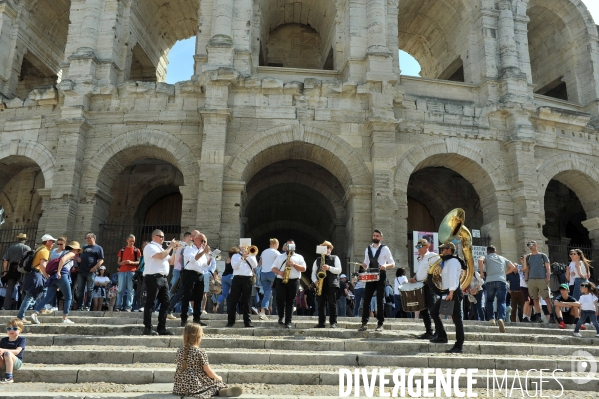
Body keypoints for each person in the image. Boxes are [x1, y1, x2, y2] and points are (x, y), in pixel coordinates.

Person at [173, 323, 242, 398]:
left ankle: (221, 390)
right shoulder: (200, 352)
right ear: (198, 337)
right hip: (195, 386)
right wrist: (218, 378)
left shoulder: (179, 351)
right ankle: (220, 390)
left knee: (208, 381)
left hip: (179, 387)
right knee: (216, 383)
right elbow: (208, 371)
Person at [29, 241, 83, 324]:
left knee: (47, 297)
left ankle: (35, 313)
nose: (78, 252)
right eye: (77, 250)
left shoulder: (64, 252)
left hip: (54, 277)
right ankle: (65, 318)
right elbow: (63, 260)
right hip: (62, 275)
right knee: (68, 297)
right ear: (75, 249)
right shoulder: (71, 254)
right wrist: (58, 272)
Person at [430, 242, 465, 353]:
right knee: (434, 312)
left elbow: (453, 277)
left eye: (443, 249)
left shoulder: (453, 261)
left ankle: (458, 346)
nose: (442, 252)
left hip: (452, 293)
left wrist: (451, 292)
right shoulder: (447, 262)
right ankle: (442, 336)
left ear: (449, 250)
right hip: (447, 292)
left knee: (457, 320)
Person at [142, 229, 178, 336]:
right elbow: (160, 256)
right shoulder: (150, 247)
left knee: (166, 303)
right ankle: (147, 327)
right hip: (153, 277)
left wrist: (175, 250)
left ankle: (161, 327)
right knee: (150, 302)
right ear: (154, 237)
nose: (163, 238)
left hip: (163, 278)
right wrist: (170, 246)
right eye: (160, 236)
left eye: (163, 236)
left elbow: (171, 261)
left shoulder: (161, 248)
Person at [358, 230, 395, 332]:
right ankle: (364, 323)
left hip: (381, 275)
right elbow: (366, 264)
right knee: (366, 299)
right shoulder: (367, 249)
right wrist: (364, 266)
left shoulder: (385, 249)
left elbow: (392, 263)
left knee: (380, 300)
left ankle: (380, 323)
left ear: (381, 238)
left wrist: (385, 266)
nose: (375, 237)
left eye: (377, 236)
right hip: (370, 275)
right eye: (374, 235)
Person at [18, 234, 55, 323]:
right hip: (37, 274)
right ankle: (20, 316)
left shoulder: (39, 248)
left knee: (39, 292)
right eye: (52, 241)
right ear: (47, 242)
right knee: (30, 296)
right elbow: (43, 265)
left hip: (33, 274)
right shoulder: (45, 250)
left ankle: (42, 308)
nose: (54, 243)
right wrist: (47, 276)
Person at [478, 245, 516, 333]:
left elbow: (480, 260)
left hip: (490, 281)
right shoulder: (502, 258)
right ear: (496, 251)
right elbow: (513, 267)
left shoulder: (486, 257)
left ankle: (491, 319)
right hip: (501, 281)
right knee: (501, 301)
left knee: (490, 300)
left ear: (487, 252)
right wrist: (504, 273)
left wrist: (481, 273)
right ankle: (501, 319)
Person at [271, 240, 306, 329]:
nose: (289, 247)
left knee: (291, 301)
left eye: (291, 245)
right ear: (285, 246)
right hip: (281, 280)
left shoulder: (299, 257)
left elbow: (303, 269)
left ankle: (288, 321)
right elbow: (273, 268)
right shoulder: (280, 257)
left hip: (294, 281)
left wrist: (293, 264)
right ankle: (281, 316)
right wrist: (280, 272)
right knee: (280, 299)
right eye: (288, 245)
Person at [408, 238, 439, 338]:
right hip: (420, 285)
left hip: (429, 285)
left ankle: (438, 332)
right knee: (423, 310)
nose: (418, 249)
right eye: (417, 247)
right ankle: (429, 331)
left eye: (420, 246)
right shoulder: (421, 259)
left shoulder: (432, 255)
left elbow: (438, 268)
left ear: (427, 246)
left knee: (433, 308)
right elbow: (420, 272)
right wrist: (414, 278)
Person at [226, 242, 259, 328]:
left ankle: (247, 322)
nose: (244, 247)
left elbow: (255, 265)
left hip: (247, 279)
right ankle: (230, 321)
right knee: (234, 300)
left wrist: (249, 257)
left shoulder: (251, 255)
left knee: (246, 301)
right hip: (237, 278)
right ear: (239, 247)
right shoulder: (235, 256)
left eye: (245, 246)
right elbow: (234, 267)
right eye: (242, 246)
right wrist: (242, 258)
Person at [181, 233, 210, 327]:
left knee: (198, 298)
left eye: (205, 241)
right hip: (190, 274)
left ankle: (197, 319)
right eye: (202, 240)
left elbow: (205, 265)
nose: (203, 243)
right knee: (187, 296)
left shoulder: (202, 251)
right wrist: (203, 252)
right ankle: (184, 319)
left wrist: (210, 258)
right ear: (196, 239)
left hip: (200, 275)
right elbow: (193, 259)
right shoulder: (189, 248)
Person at [167, 231, 197, 319]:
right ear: (190, 236)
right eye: (194, 236)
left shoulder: (191, 246)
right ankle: (164, 308)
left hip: (185, 272)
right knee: (176, 291)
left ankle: (190, 311)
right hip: (182, 271)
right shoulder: (185, 246)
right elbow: (180, 260)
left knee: (182, 292)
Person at [311, 241, 341, 328]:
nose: (326, 249)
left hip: (331, 284)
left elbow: (339, 270)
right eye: (324, 248)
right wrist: (315, 281)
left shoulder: (335, 258)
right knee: (321, 304)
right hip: (321, 284)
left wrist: (329, 268)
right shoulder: (317, 260)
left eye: (328, 248)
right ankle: (321, 323)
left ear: (331, 249)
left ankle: (333, 322)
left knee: (332, 303)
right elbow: (313, 273)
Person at [522, 240, 553, 323]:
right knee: (535, 299)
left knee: (546, 298)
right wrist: (526, 279)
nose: (530, 246)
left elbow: (548, 268)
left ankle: (552, 316)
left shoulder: (543, 255)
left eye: (532, 244)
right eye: (529, 245)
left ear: (536, 245)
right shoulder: (529, 257)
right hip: (531, 280)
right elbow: (526, 269)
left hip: (542, 279)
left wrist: (548, 277)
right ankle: (538, 317)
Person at [1, 233, 31, 311]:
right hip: (22, 270)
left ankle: (7, 307)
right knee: (23, 289)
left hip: (12, 269)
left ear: (17, 239)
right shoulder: (28, 248)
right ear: (25, 240)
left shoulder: (11, 248)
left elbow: (5, 260)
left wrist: (5, 271)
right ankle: (22, 308)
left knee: (9, 289)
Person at [76, 233, 104, 311]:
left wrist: (95, 268)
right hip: (81, 271)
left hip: (90, 272)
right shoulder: (84, 247)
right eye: (86, 238)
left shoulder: (98, 248)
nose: (87, 239)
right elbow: (80, 256)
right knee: (80, 289)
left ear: (94, 238)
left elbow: (101, 260)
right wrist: (79, 260)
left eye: (89, 238)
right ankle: (80, 306)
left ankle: (87, 306)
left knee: (90, 289)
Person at [115, 235, 141, 312]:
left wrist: (131, 262)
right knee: (120, 290)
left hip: (132, 271)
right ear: (127, 240)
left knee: (130, 290)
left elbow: (139, 262)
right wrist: (122, 263)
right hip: (122, 271)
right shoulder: (122, 250)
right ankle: (118, 306)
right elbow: (118, 262)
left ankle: (128, 307)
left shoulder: (137, 250)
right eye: (130, 241)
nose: (132, 243)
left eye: (133, 241)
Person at [258, 239, 280, 320]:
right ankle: (280, 311)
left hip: (263, 274)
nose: (278, 246)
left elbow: (260, 263)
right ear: (275, 244)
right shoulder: (276, 252)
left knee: (266, 294)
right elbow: (280, 262)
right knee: (280, 290)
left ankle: (262, 312)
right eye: (278, 245)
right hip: (272, 273)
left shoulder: (264, 251)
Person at [213, 247, 239, 314]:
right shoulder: (235, 259)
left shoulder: (228, 259)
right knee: (235, 293)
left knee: (224, 294)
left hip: (224, 277)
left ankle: (217, 303)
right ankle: (234, 310)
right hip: (231, 277)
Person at [0, 318, 25, 383]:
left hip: (16, 362)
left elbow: (17, 352)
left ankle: (9, 377)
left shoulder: (21, 339)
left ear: (20, 330)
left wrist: (4, 350)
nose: (11, 330)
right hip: (4, 362)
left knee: (8, 353)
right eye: (9, 328)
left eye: (15, 329)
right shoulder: (3, 340)